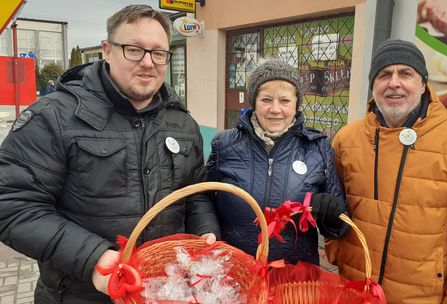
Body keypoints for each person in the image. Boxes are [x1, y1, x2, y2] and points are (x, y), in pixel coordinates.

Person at [0, 5, 220, 303]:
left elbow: (195, 193)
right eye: (134, 49)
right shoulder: (53, 117)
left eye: (158, 53)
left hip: (163, 292)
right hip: (79, 294)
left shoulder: (182, 122)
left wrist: (205, 231)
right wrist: (94, 257)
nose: (148, 62)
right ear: (107, 50)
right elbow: (12, 205)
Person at [326, 39, 447, 303]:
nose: (394, 83)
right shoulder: (347, 140)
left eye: (405, 73)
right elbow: (335, 207)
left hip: (423, 296)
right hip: (355, 289)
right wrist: (335, 249)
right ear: (373, 86)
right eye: (384, 75)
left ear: (423, 83)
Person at [205, 59, 349, 265]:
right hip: (235, 273)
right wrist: (209, 234)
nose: (275, 109)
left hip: (294, 279)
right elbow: (202, 200)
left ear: (296, 104)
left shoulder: (318, 147)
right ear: (254, 102)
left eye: (284, 101)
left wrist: (332, 215)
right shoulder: (225, 145)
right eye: (266, 100)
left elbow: (340, 227)